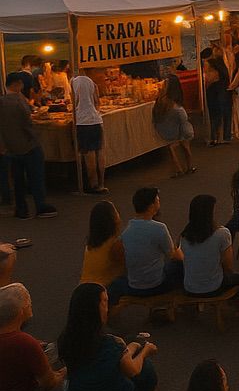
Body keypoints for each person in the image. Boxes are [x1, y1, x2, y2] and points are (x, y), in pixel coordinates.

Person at [57, 282, 158, 391]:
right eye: (104, 301)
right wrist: (146, 351)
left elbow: (120, 355)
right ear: (94, 309)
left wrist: (134, 345)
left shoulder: (65, 339)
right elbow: (133, 370)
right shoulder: (109, 343)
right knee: (147, 372)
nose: (107, 306)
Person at [0, 284, 65, 391]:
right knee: (62, 390)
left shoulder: (20, 340)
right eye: (29, 303)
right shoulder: (24, 343)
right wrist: (64, 372)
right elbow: (49, 383)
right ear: (21, 311)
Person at [111, 186, 185, 303]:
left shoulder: (127, 231)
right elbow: (172, 255)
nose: (159, 202)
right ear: (151, 206)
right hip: (156, 284)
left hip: (134, 285)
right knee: (180, 266)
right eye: (157, 200)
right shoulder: (159, 228)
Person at [1, 72, 57, 218]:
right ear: (17, 83)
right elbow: (27, 124)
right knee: (36, 177)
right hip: (28, 145)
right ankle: (40, 205)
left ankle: (21, 208)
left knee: (18, 180)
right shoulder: (19, 101)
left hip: (11, 147)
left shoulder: (2, 101)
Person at [180, 194, 239, 311]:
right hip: (213, 287)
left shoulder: (185, 235)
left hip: (189, 287)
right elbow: (228, 266)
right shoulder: (222, 233)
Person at [151, 77, 196, 178]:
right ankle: (189, 166)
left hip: (166, 131)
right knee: (185, 145)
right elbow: (183, 117)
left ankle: (178, 169)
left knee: (171, 148)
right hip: (181, 130)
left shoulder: (160, 102)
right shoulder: (176, 104)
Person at [72, 64, 108, 193]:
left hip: (83, 122)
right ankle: (101, 183)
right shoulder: (92, 83)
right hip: (96, 120)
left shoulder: (74, 82)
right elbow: (97, 102)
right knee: (99, 152)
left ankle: (93, 184)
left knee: (89, 154)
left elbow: (74, 103)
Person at [80, 199, 126, 292]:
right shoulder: (115, 245)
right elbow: (128, 266)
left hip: (83, 287)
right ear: (113, 219)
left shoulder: (91, 243)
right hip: (102, 290)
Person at [200, 46, 232, 147]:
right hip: (223, 91)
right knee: (223, 114)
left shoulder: (210, 64)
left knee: (214, 115)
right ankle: (223, 136)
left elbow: (209, 79)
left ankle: (215, 137)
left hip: (214, 92)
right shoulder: (223, 64)